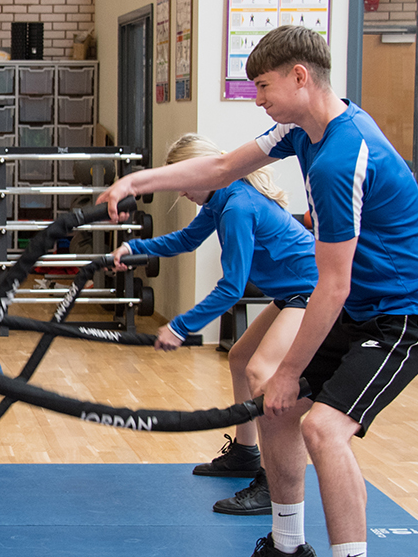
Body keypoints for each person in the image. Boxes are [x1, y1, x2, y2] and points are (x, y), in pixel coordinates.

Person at [99, 25, 418, 557]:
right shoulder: (298, 132)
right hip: (364, 305)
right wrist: (138, 181)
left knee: (321, 426)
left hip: (405, 315)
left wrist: (289, 369)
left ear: (299, 77)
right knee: (277, 408)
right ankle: (289, 553)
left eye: (262, 86)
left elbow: (333, 287)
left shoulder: (345, 157)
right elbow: (219, 165)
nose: (256, 99)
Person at [108, 133, 316, 516]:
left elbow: (232, 288)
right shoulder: (222, 199)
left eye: (186, 181)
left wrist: (181, 326)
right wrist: (134, 249)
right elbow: (186, 240)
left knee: (261, 372)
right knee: (240, 359)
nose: (182, 192)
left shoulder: (238, 206)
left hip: (312, 294)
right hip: (292, 293)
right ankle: (245, 453)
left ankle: (274, 484)